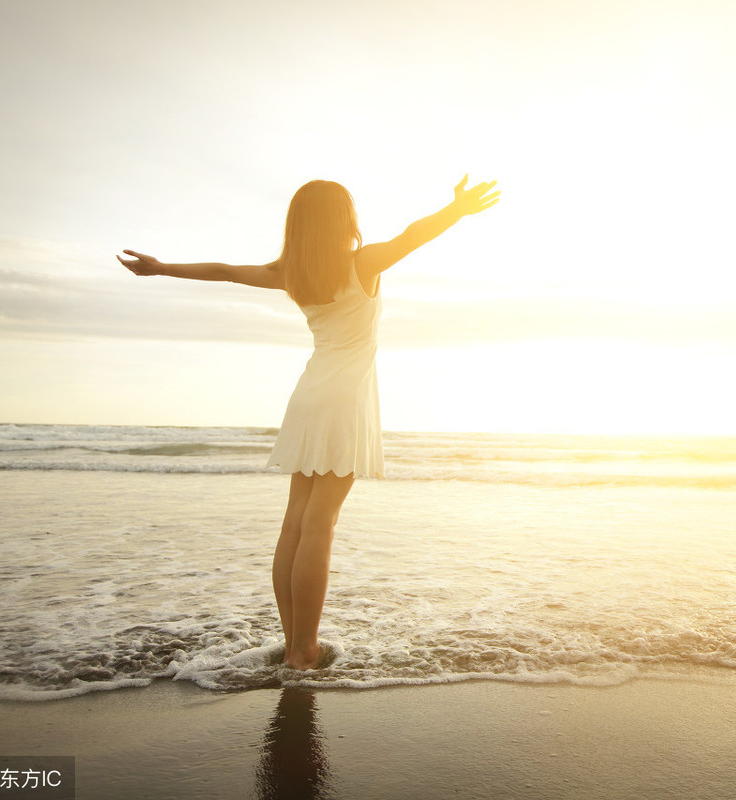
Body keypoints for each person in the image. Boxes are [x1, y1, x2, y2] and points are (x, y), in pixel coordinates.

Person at [118, 176, 500, 670]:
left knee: (296, 524)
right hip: (344, 401)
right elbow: (413, 235)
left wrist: (162, 268)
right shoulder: (363, 263)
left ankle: (294, 641)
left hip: (308, 394)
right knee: (320, 525)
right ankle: (304, 649)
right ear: (346, 219)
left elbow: (226, 271)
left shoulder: (291, 272)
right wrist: (457, 210)